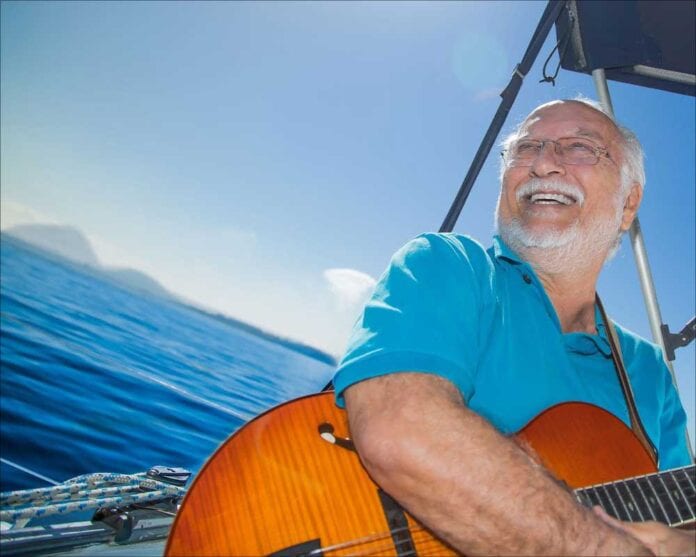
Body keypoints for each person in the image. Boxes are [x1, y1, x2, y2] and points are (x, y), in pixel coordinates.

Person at [332, 99, 694, 555]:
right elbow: (400, 428)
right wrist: (598, 545)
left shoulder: (651, 374)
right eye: (527, 148)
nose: (543, 163)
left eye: (579, 147)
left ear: (629, 203)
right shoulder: (449, 265)